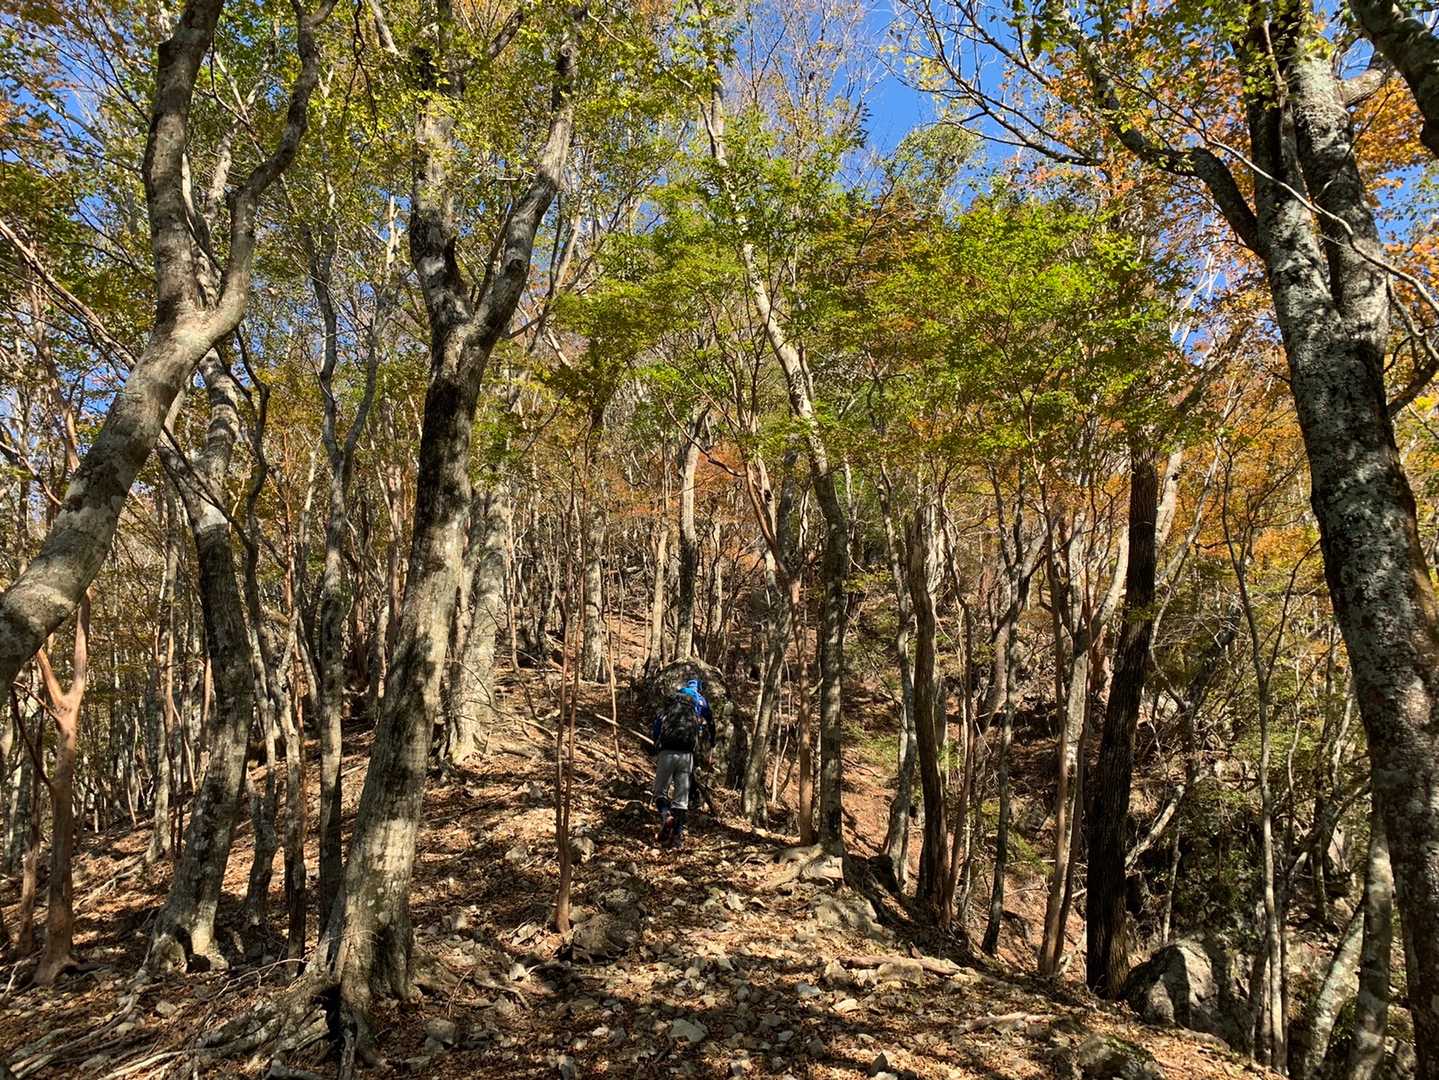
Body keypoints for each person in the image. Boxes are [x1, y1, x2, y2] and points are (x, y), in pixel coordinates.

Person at [651, 678, 714, 849]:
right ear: (698, 688)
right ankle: (677, 838)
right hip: (687, 754)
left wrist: (656, 741)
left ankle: (666, 816)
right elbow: (710, 723)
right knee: (681, 800)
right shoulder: (700, 702)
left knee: (660, 792)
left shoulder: (672, 703)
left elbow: (657, 724)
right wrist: (711, 743)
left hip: (667, 751)